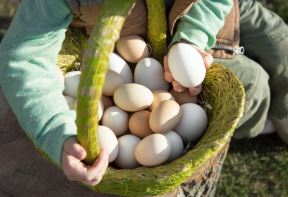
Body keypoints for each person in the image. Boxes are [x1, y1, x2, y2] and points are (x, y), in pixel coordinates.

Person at [0, 0, 287, 187]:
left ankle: (282, 112)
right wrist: (54, 132)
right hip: (155, 51)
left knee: (279, 41)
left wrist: (192, 37)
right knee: (255, 86)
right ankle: (265, 122)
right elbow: (23, 56)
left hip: (204, 14)